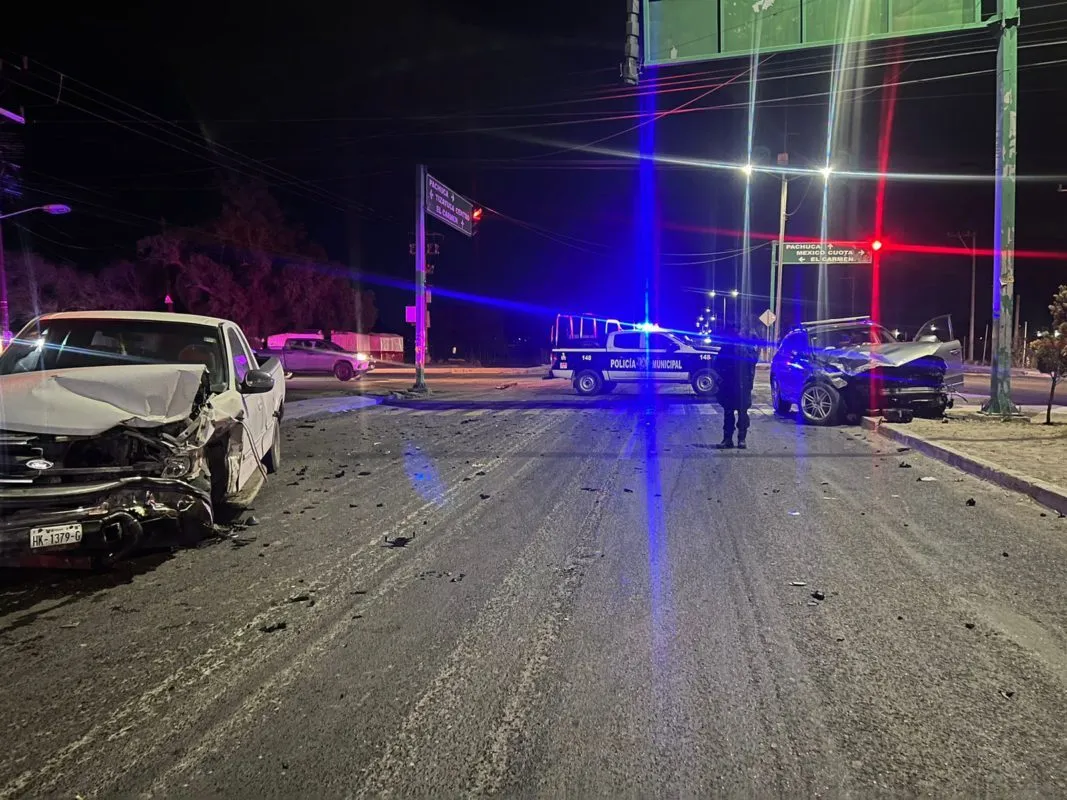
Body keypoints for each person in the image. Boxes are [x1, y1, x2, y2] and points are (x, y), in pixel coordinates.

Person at [712, 322, 758, 449]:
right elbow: (718, 364)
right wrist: (720, 380)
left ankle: (741, 439)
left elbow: (753, 362)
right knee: (728, 413)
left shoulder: (748, 348)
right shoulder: (727, 347)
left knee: (743, 414)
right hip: (729, 385)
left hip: (743, 385)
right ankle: (727, 439)